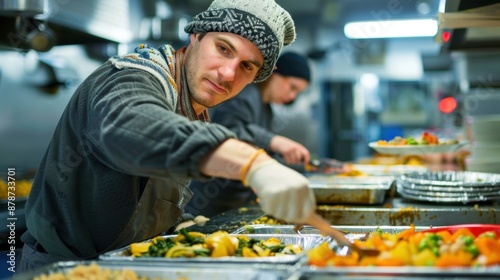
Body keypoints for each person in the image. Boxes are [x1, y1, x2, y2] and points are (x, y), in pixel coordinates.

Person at [17, 0, 316, 273]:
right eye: (224, 48)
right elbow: (132, 126)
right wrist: (253, 163)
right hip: (63, 268)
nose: (227, 73)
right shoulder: (132, 76)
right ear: (196, 36)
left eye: (247, 66)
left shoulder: (192, 107)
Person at [186, 52, 346, 217]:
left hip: (237, 202)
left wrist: (312, 166)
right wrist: (274, 140)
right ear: (274, 75)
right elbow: (227, 131)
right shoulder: (244, 94)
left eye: (297, 93)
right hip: (210, 202)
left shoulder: (266, 109)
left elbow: (262, 155)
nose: (292, 96)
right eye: (292, 87)